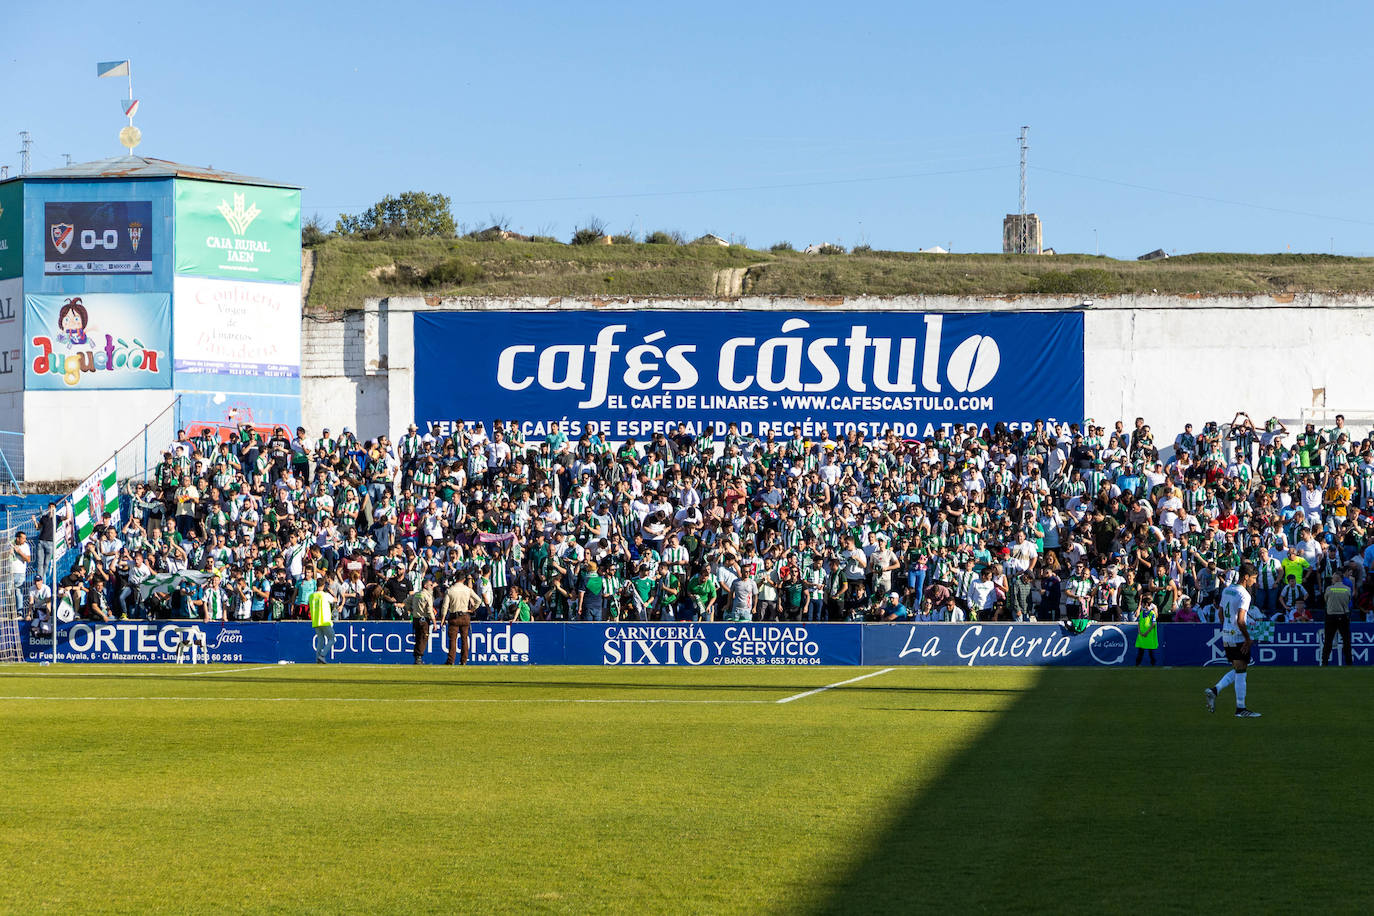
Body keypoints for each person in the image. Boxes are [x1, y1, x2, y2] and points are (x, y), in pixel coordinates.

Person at [1204, 563, 1261, 718]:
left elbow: (1221, 613)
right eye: (1254, 578)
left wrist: (1227, 628)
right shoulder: (1244, 594)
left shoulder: (1227, 589)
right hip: (1238, 637)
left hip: (1226, 635)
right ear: (1246, 577)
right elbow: (1241, 621)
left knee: (1238, 668)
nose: (1255, 582)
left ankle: (1215, 691)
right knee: (1242, 671)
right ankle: (1240, 709)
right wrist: (1248, 639)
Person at [441, 572, 479, 665]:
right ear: (464, 579)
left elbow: (445, 606)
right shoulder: (467, 590)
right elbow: (478, 600)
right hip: (465, 615)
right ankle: (464, 660)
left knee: (452, 640)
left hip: (454, 616)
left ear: (455, 578)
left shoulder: (450, 590)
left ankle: (451, 660)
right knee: (464, 639)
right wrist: (472, 609)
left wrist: (443, 618)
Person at [1321, 573, 1353, 667]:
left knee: (1328, 640)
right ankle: (1349, 662)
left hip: (1331, 616)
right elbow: (1348, 600)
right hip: (1343, 616)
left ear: (1335, 579)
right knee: (1346, 640)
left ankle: (1324, 662)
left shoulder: (1329, 589)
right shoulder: (1347, 589)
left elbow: (1326, 600)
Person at [404, 576, 437, 664]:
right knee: (423, 638)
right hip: (424, 620)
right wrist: (434, 623)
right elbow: (430, 610)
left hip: (415, 619)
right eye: (430, 585)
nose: (432, 587)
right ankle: (419, 657)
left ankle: (416, 656)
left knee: (418, 638)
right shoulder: (427, 596)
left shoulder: (416, 594)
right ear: (425, 586)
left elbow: (406, 602)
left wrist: (411, 610)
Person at [308, 575, 336, 664]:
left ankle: (318, 658)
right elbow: (335, 600)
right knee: (332, 639)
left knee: (320, 640)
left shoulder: (311, 596)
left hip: (316, 621)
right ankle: (322, 655)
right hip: (325, 620)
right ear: (323, 585)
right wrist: (332, 592)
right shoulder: (325, 595)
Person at [1134, 597, 1159, 666]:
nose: (1141, 605)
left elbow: (1153, 624)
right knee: (1140, 652)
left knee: (1151, 653)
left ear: (1146, 604)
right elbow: (1139, 622)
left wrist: (1147, 632)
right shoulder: (1142, 613)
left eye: (1142, 603)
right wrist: (1139, 631)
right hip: (1141, 635)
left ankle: (1153, 665)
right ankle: (1137, 665)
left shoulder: (1152, 613)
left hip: (1149, 636)